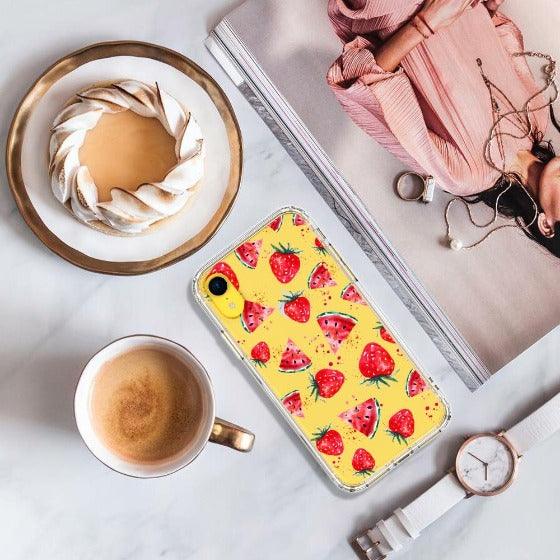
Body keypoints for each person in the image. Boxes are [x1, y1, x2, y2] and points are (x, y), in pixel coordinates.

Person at [327, 0, 560, 256]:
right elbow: (492, 30)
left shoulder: (465, 174)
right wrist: (488, 8)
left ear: (546, 225)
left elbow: (369, 85)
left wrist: (426, 22)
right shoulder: (536, 116)